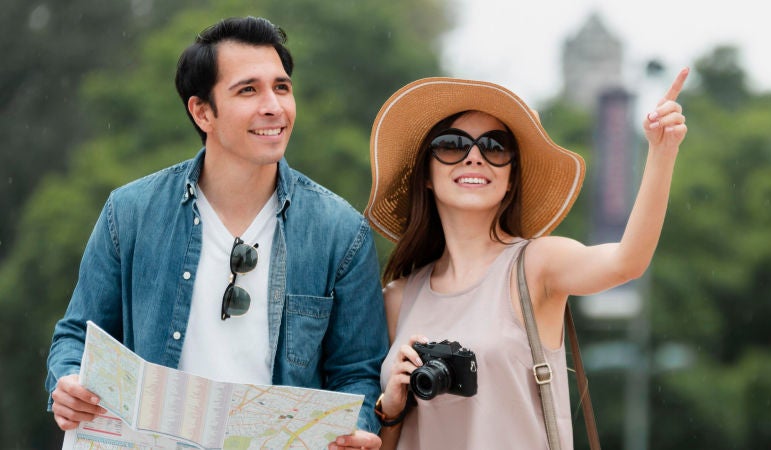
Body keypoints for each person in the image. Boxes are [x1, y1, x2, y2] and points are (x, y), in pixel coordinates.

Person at [44, 16, 387, 448]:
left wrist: (356, 430)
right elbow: (77, 335)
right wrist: (68, 381)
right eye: (248, 90)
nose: (274, 106)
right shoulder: (130, 212)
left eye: (281, 87)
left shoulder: (341, 230)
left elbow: (358, 371)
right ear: (202, 111)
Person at [363, 69, 688, 449]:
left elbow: (626, 261)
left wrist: (662, 152)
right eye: (451, 144)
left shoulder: (535, 265)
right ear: (427, 175)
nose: (474, 157)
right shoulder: (399, 299)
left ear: (511, 178)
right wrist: (393, 407)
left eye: (495, 147)